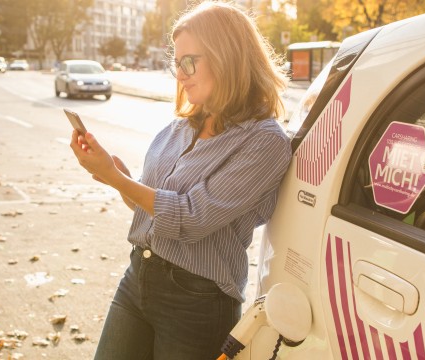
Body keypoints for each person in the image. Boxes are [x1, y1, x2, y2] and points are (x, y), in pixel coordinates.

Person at [68, 2, 292, 359]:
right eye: (177, 63)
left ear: (228, 57)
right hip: (139, 274)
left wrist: (119, 180)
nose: (180, 73)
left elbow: (189, 218)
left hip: (196, 301)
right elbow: (151, 206)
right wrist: (118, 177)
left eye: (190, 62)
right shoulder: (179, 127)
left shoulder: (264, 141)